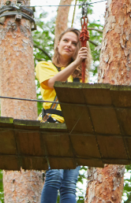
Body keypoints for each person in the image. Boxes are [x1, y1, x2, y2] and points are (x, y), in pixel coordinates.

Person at [36, 28, 88, 203]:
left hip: (74, 130)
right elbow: (53, 82)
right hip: (52, 124)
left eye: (74, 43)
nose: (69, 45)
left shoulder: (80, 76)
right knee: (54, 175)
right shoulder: (45, 66)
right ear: (58, 44)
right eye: (66, 41)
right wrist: (76, 63)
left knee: (69, 184)